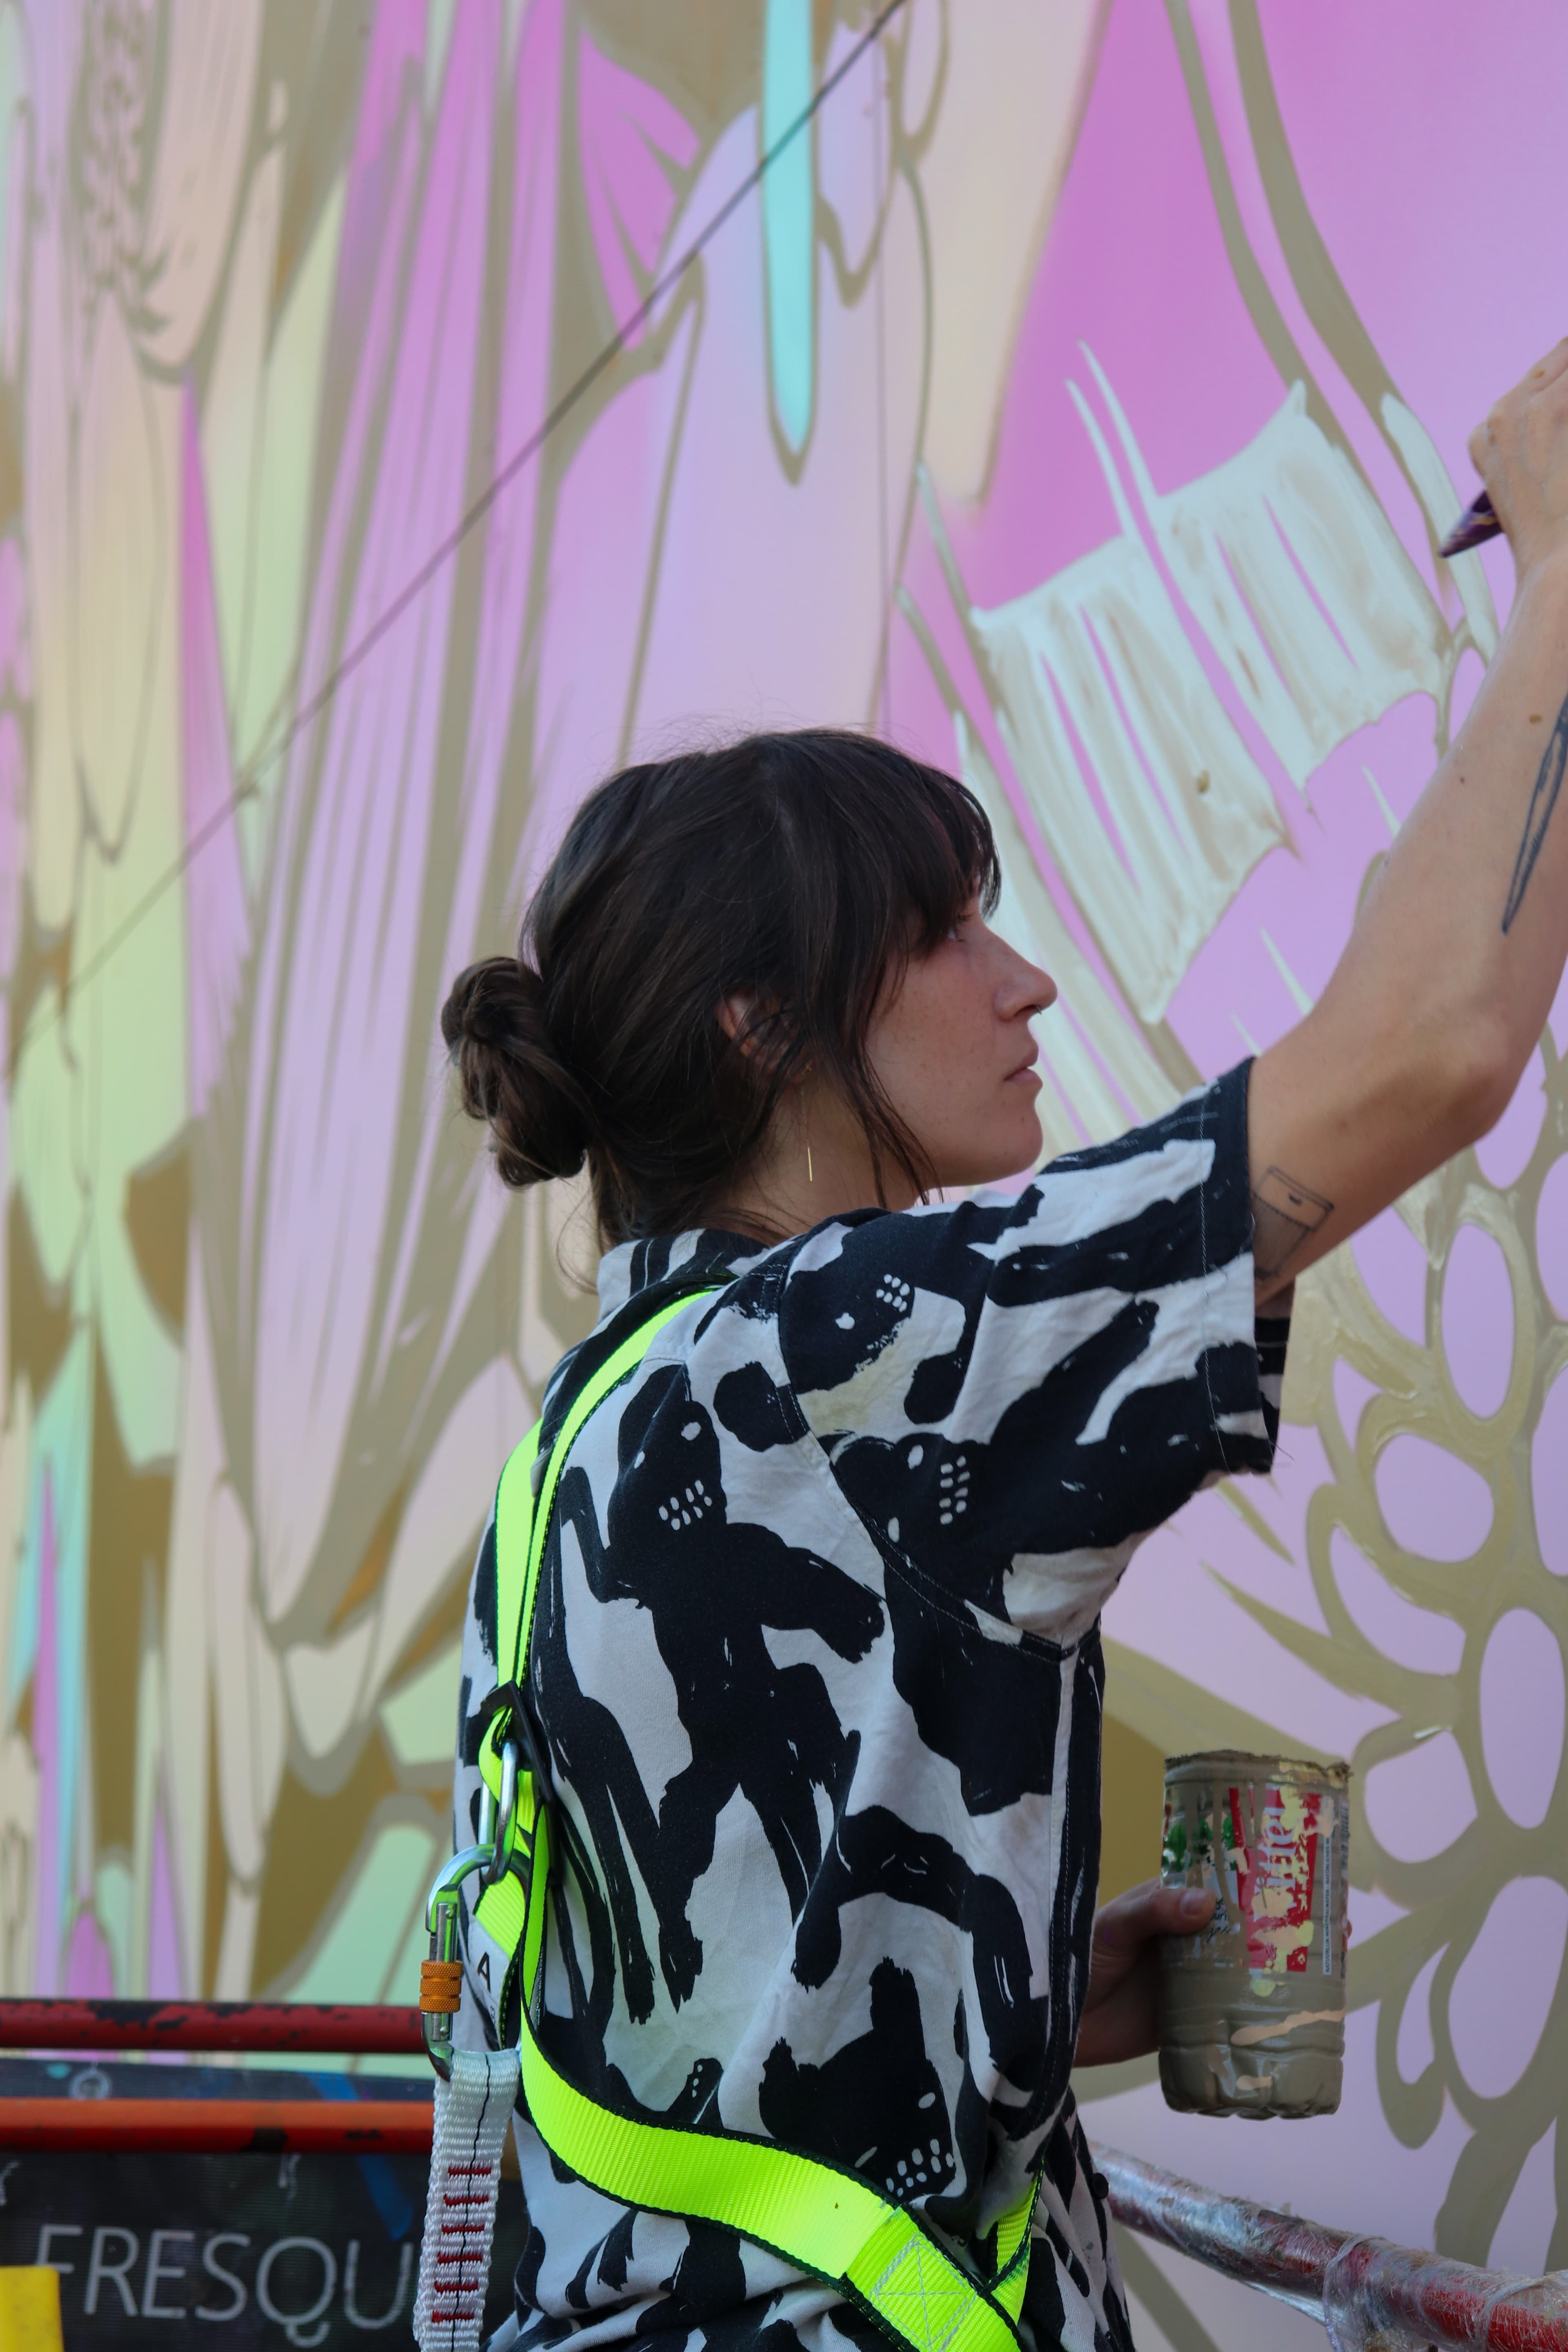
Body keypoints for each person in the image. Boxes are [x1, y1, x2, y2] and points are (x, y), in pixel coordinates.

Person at [440, 345, 1568, 2352]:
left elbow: (695, 1992)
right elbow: (1428, 1052)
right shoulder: (839, 1351)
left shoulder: (601, 1425)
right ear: (760, 1024)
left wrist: (1006, 1984)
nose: (1027, 978)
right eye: (949, 929)